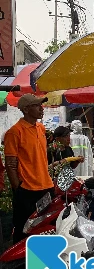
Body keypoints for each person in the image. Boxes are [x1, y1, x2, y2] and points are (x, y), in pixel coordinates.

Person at [4, 94, 55, 243]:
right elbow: (10, 164)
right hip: (27, 190)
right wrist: (18, 189)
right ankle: (20, 265)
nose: (41, 108)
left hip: (46, 187)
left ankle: (43, 263)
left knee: (46, 229)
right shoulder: (15, 132)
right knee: (24, 230)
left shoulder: (41, 128)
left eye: (41, 105)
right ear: (26, 109)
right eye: (37, 105)